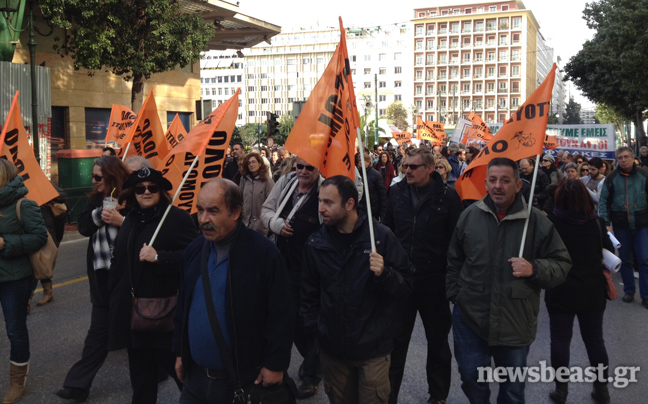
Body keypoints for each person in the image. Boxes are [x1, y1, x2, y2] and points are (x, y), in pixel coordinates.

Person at [446, 157, 571, 404]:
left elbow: (562, 264)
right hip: (471, 317)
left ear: (518, 185)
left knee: (513, 391)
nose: (498, 186)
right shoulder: (470, 216)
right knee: (471, 378)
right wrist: (456, 295)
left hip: (515, 320)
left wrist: (534, 268)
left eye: (505, 180)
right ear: (486, 183)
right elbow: (454, 259)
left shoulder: (536, 221)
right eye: (492, 180)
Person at [172, 179, 294, 403]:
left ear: (235, 212)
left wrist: (275, 364)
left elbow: (282, 314)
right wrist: (180, 352)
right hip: (195, 381)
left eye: (213, 211)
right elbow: (183, 306)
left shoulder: (263, 253)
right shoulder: (193, 251)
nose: (203, 219)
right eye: (200, 210)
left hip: (241, 381)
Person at [301, 176, 412, 404]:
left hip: (373, 350)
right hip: (333, 349)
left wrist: (385, 274)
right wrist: (317, 334)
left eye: (328, 202)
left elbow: (407, 286)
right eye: (320, 201)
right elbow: (308, 295)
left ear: (350, 204)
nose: (320, 208)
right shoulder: (315, 243)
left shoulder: (379, 238)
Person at [106, 168, 197, 404]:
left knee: (183, 378)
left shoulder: (176, 218)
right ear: (132, 193)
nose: (146, 192)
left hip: (166, 316)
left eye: (152, 188)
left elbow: (195, 257)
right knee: (142, 383)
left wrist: (160, 257)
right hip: (135, 318)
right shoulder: (132, 219)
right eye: (140, 189)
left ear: (161, 191)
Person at [384, 148, 463, 404]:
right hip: (401, 279)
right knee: (395, 343)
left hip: (434, 281)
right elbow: (388, 232)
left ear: (430, 169)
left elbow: (455, 242)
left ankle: (438, 396)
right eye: (406, 165)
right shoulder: (395, 192)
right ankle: (388, 396)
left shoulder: (448, 197)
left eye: (414, 166)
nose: (407, 170)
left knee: (438, 342)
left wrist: (451, 279)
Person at [56, 156, 130, 402]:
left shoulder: (132, 197)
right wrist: (102, 212)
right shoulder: (94, 200)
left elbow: (146, 233)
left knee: (140, 328)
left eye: (98, 176)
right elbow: (85, 227)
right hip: (102, 276)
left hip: (128, 277)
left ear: (111, 175)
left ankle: (168, 372)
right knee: (98, 333)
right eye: (93, 176)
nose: (94, 181)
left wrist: (123, 220)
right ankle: (77, 387)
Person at [545, 180, 614, 404]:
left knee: (560, 340)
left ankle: (561, 390)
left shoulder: (552, 223)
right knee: (595, 341)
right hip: (592, 290)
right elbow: (609, 252)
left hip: (561, 289)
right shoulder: (596, 223)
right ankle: (602, 389)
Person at [261, 157, 324, 398]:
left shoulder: (324, 186)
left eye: (310, 167)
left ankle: (311, 374)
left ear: (319, 169)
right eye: (300, 166)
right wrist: (274, 223)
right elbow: (266, 209)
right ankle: (313, 361)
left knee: (308, 317)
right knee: (288, 316)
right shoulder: (286, 182)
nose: (304, 171)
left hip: (311, 265)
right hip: (282, 260)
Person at [0, 159, 48, 403]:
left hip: (15, 280)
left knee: (15, 330)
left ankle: (17, 383)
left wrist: (5, 243)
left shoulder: (23, 204)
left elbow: (39, 237)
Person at [599, 146, 648, 307]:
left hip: (642, 224)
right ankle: (629, 290)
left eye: (626, 157)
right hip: (621, 225)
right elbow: (603, 201)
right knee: (625, 259)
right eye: (620, 157)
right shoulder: (612, 177)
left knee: (644, 258)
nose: (623, 160)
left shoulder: (643, 175)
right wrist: (605, 224)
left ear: (633, 158)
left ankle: (646, 294)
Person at [33, 184, 67, 308]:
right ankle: (30, 297)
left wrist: (46, 195)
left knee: (42, 263)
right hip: (34, 229)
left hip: (48, 230)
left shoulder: (42, 184)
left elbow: (61, 195)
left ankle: (48, 292)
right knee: (35, 263)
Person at [238, 152, 275, 236]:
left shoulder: (267, 181)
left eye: (253, 162)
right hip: (245, 224)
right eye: (249, 163)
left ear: (260, 163)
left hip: (261, 227)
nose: (251, 165)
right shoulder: (244, 179)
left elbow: (272, 203)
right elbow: (240, 198)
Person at [356, 151, 387, 221]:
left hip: (373, 208)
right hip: (361, 207)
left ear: (368, 162)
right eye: (359, 160)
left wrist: (383, 210)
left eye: (362, 160)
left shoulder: (376, 175)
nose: (360, 162)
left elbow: (382, 193)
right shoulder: (357, 174)